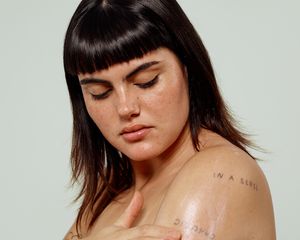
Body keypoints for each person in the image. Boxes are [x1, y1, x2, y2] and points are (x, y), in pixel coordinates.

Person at [63, 0, 276, 239]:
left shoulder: (219, 172)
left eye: (147, 80)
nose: (125, 108)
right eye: (100, 92)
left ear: (187, 68)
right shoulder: (110, 187)